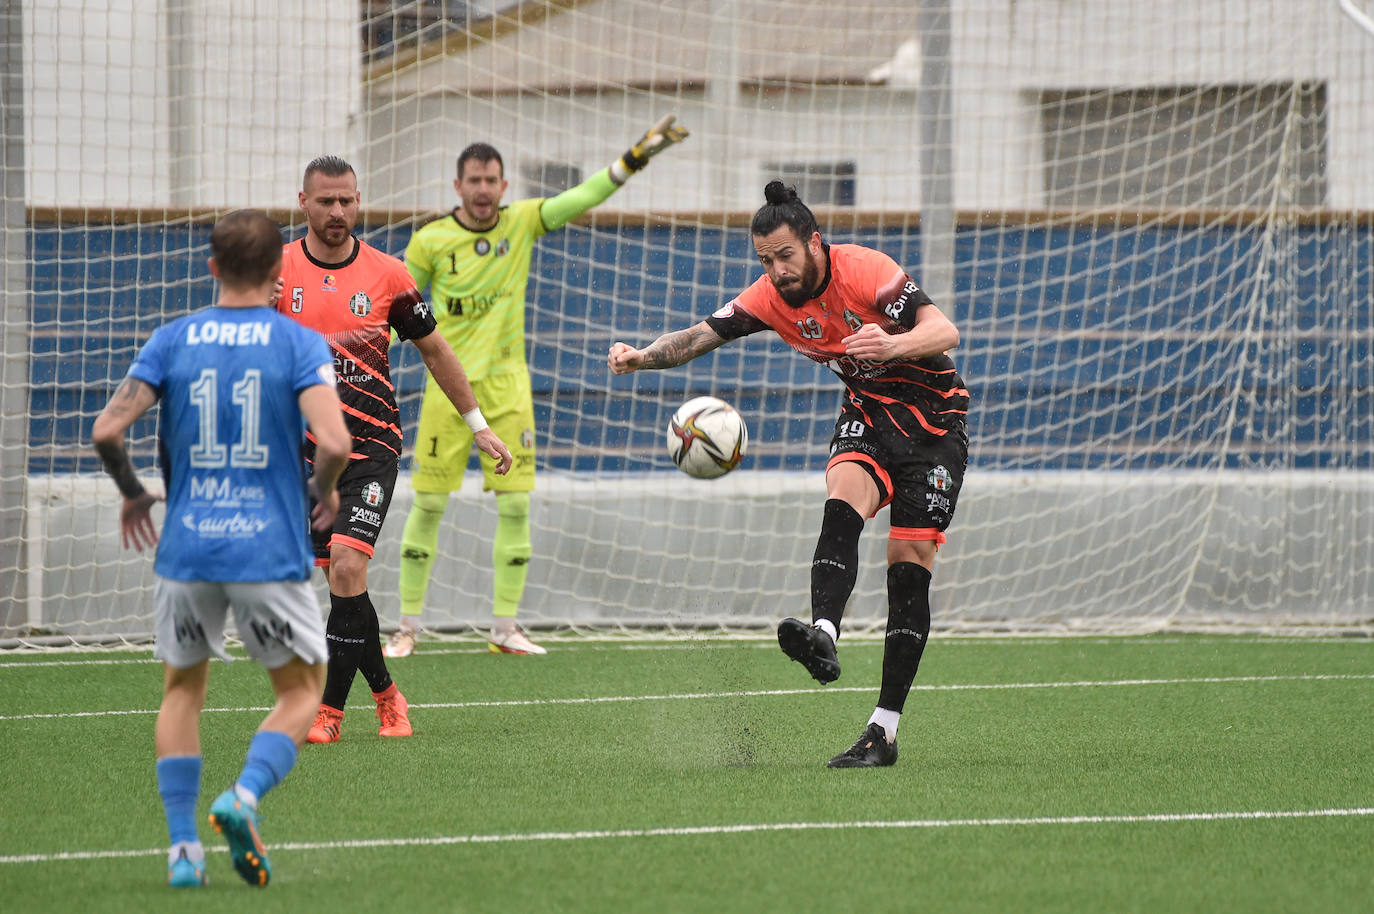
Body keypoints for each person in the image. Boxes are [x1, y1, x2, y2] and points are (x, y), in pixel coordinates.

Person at [608, 182, 969, 768]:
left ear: (814, 242)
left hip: (934, 423)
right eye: (764, 260)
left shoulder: (868, 271)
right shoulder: (768, 298)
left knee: (908, 567)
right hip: (870, 414)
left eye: (785, 255)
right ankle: (823, 631)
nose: (776, 271)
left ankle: (883, 731)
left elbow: (945, 332)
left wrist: (891, 345)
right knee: (842, 499)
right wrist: (641, 356)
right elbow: (699, 337)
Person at [90, 209, 351, 887]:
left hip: (187, 549)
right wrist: (322, 491)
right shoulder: (296, 342)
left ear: (211, 268)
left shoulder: (172, 340)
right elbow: (336, 442)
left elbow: (107, 430)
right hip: (266, 548)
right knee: (300, 693)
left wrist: (134, 493)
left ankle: (182, 853)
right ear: (277, 274)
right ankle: (242, 796)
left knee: (182, 690)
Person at [384, 116, 690, 658]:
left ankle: (504, 627)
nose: (483, 190)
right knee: (427, 506)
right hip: (447, 395)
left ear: (504, 187)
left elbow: (582, 196)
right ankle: (406, 627)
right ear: (458, 186)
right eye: (473, 180)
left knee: (516, 509)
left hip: (507, 392)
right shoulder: (430, 240)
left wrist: (638, 155)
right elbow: (396, 309)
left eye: (492, 180)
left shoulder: (521, 223)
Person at [279, 155, 512, 743]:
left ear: (360, 202)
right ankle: (387, 695)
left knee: (349, 566)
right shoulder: (275, 273)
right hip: (303, 454)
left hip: (370, 446)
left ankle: (330, 712)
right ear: (303, 202)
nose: (338, 212)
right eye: (327, 201)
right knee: (341, 582)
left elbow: (436, 351)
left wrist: (478, 424)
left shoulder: (389, 275)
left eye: (348, 200)